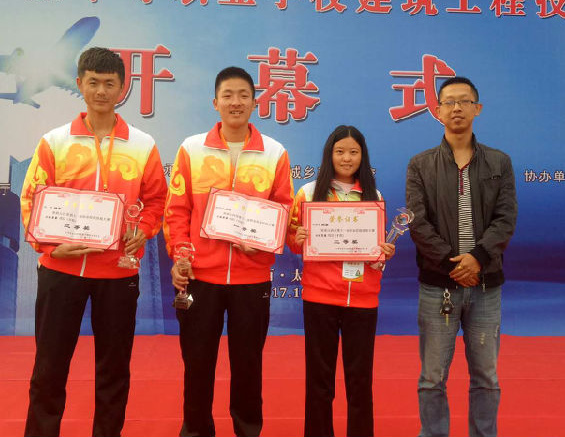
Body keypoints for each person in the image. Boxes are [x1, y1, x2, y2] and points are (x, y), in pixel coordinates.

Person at [20, 47, 168, 437]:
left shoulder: (142, 145)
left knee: (114, 369)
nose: (101, 91)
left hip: (118, 273)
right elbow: (31, 199)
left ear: (122, 88)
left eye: (109, 84)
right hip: (61, 269)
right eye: (93, 82)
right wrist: (49, 248)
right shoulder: (55, 141)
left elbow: (157, 199)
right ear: (79, 84)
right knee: (49, 366)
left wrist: (144, 228)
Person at [163, 66, 294, 437]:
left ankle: (247, 430)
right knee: (198, 364)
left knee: (248, 365)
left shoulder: (274, 152)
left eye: (243, 95)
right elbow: (177, 210)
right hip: (201, 276)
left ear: (255, 102)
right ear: (215, 102)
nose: (235, 102)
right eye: (228, 95)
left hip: (252, 279)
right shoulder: (192, 149)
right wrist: (182, 256)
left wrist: (261, 242)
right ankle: (196, 430)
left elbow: (284, 210)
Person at [404, 77, 517, 437]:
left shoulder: (499, 162)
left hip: (485, 286)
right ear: (437, 111)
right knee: (432, 377)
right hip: (439, 286)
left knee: (486, 376)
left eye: (464, 101)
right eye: (449, 102)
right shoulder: (420, 165)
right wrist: (453, 264)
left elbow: (506, 218)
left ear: (477, 109)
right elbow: (417, 222)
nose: (456, 108)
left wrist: (477, 258)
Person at [287, 125, 395, 437]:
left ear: (363, 156)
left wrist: (384, 251)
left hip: (362, 299)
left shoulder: (374, 196)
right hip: (319, 298)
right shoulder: (308, 193)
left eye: (353, 152)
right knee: (319, 379)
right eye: (340, 152)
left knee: (360, 379)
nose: (346, 158)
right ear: (329, 155)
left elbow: (376, 250)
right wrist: (298, 237)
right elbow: (291, 240)